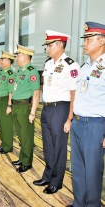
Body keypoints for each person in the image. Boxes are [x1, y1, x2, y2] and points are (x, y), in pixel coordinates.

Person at [33, 30, 80, 194]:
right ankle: (48, 175)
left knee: (59, 147)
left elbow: (74, 93)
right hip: (46, 108)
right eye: (47, 45)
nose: (47, 48)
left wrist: (69, 118)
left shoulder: (71, 65)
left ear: (60, 45)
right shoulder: (48, 64)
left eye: (50, 45)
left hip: (61, 108)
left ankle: (57, 181)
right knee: (48, 146)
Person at [67, 22, 105, 207]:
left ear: (102, 41)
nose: (85, 43)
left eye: (89, 39)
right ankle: (78, 203)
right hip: (78, 123)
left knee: (92, 171)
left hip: (95, 126)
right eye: (85, 40)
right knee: (78, 168)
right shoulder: (84, 66)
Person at [11, 44, 40, 173]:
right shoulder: (20, 71)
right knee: (20, 134)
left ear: (24, 56)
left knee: (26, 135)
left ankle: (27, 162)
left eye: (18, 55)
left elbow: (36, 93)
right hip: (16, 105)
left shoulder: (31, 71)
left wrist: (32, 112)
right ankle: (22, 158)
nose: (16, 58)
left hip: (24, 107)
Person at [0, 51, 15, 154]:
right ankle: (3, 143)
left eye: (3, 59)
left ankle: (8, 146)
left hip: (5, 100)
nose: (1, 61)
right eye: (1, 59)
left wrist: (9, 105)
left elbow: (11, 91)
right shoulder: (2, 71)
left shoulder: (11, 74)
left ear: (9, 61)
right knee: (0, 124)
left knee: (6, 124)